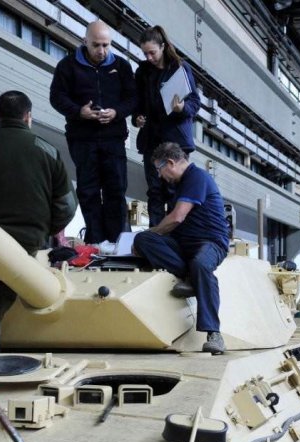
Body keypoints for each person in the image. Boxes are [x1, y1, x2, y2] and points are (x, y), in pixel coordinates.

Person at [0, 91, 78, 353]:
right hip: (29, 242)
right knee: (15, 288)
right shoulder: (48, 151)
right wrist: (47, 230)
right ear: (28, 116)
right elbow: (67, 205)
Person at [133, 142, 230, 354]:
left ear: (170, 163)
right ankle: (192, 278)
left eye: (159, 169)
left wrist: (155, 231)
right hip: (183, 243)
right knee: (143, 240)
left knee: (201, 264)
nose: (159, 175)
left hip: (210, 243)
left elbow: (177, 217)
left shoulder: (197, 177)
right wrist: (145, 239)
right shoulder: (177, 185)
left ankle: (214, 334)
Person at [49, 20, 136, 247]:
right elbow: (57, 98)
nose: (101, 51)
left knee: (116, 189)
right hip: (82, 139)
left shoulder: (122, 66)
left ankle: (116, 243)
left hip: (113, 139)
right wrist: (80, 112)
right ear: (85, 41)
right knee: (88, 191)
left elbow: (132, 99)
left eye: (106, 45)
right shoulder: (67, 66)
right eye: (96, 45)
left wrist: (116, 113)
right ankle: (95, 242)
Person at [133, 26, 201, 227]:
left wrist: (182, 107)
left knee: (175, 191)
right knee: (154, 191)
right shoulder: (143, 72)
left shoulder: (180, 68)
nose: (149, 58)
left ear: (162, 46)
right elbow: (137, 104)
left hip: (176, 140)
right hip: (151, 140)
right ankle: (156, 235)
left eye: (152, 52)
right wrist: (137, 118)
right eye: (145, 53)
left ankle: (176, 236)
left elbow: (195, 102)